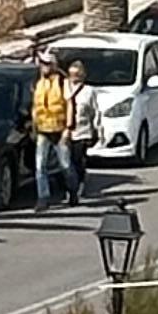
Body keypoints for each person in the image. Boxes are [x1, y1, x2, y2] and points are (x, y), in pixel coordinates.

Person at [28, 47, 71, 209]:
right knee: (40, 166)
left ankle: (72, 189)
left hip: (59, 130)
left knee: (65, 166)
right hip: (42, 130)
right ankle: (43, 198)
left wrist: (68, 128)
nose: (43, 66)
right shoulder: (37, 81)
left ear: (53, 65)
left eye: (47, 63)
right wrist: (34, 127)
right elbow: (34, 105)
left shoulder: (62, 81)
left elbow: (69, 104)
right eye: (42, 63)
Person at [64, 61, 100, 202]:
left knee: (77, 160)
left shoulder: (89, 91)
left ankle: (79, 184)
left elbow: (94, 112)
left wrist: (96, 129)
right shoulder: (64, 87)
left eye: (77, 75)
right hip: (65, 132)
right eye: (72, 75)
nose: (74, 78)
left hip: (82, 131)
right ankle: (70, 188)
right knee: (66, 163)